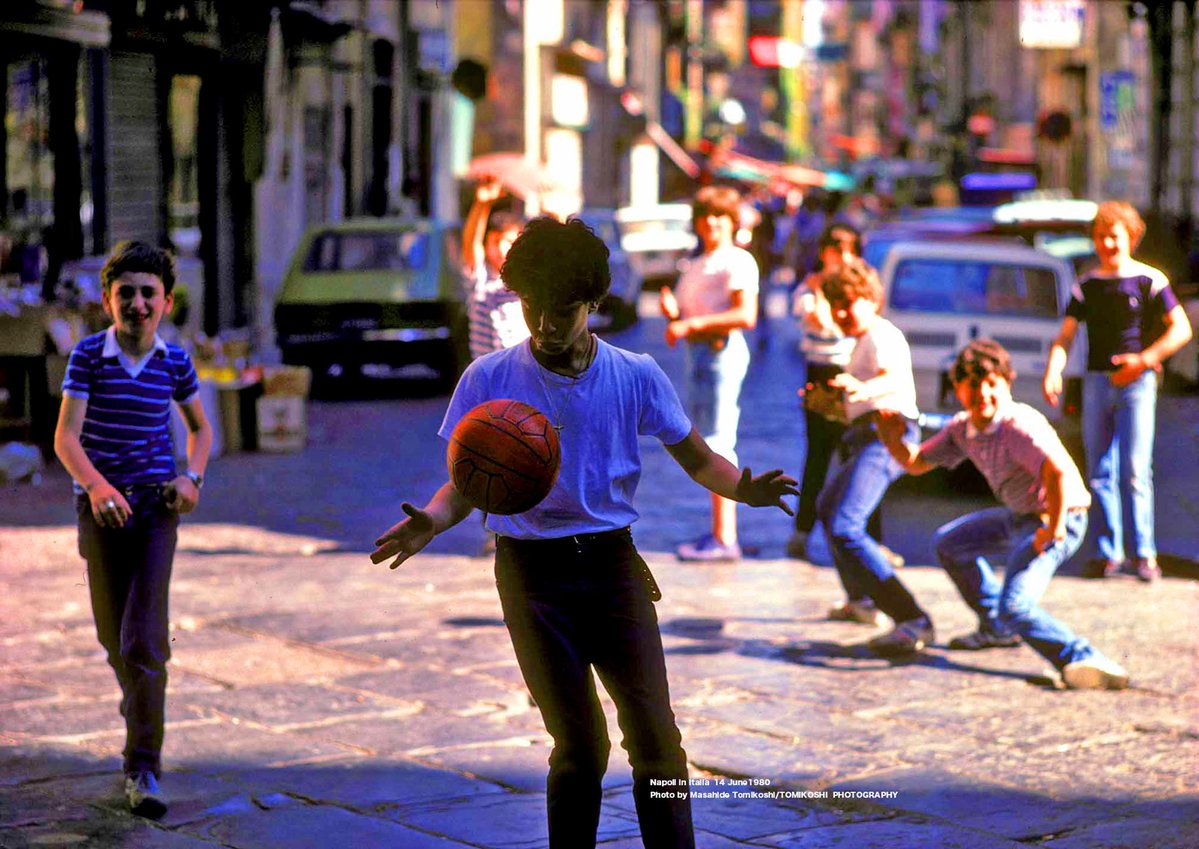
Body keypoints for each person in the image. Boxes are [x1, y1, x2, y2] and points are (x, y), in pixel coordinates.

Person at [371, 217, 797, 849]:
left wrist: (743, 489)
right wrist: (432, 520)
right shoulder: (488, 378)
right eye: (534, 306)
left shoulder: (635, 374)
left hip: (612, 568)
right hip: (530, 576)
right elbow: (467, 482)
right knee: (579, 744)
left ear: (593, 302)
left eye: (563, 309)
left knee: (656, 739)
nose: (546, 323)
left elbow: (700, 459)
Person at [53, 241, 213, 817]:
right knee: (112, 636)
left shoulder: (175, 361)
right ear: (107, 300)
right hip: (100, 511)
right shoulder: (88, 357)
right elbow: (65, 437)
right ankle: (138, 702)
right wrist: (97, 488)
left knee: (144, 640)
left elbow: (200, 429)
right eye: (127, 293)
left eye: (149, 293)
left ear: (166, 302)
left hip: (154, 509)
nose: (138, 304)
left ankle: (142, 765)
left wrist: (192, 477)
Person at [878, 340, 1130, 689]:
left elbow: (1055, 472)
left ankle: (1081, 656)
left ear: (1007, 384)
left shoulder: (1016, 424)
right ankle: (995, 628)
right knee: (950, 544)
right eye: (971, 385)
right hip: (1022, 516)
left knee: (1016, 606)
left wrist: (1053, 529)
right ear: (957, 389)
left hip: (1060, 518)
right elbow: (916, 462)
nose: (982, 393)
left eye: (991, 383)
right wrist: (890, 437)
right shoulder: (962, 428)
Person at [1042, 201, 1193, 582]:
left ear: (1131, 237)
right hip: (1098, 382)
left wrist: (1144, 360)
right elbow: (1065, 335)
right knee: (1099, 472)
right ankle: (1107, 552)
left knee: (1135, 470)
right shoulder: (1087, 285)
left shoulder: (1149, 280)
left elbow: (1181, 329)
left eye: (1114, 236)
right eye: (1100, 236)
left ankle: (1144, 554)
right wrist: (1053, 369)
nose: (1107, 244)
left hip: (1137, 383)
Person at [817, 260, 934, 655]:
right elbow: (862, 399)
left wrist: (859, 387)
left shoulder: (881, 334)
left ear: (870, 299)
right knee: (828, 508)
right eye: (835, 305)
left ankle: (912, 618)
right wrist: (832, 405)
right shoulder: (861, 341)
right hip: (867, 434)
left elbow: (892, 379)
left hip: (888, 435)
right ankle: (862, 601)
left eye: (848, 303)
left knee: (846, 525)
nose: (840, 313)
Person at [787, 223, 903, 573]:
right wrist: (821, 289)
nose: (843, 257)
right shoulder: (810, 288)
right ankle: (802, 532)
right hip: (823, 373)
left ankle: (873, 542)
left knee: (863, 459)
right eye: (836, 249)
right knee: (818, 456)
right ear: (824, 252)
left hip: (857, 374)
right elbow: (824, 323)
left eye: (849, 250)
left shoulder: (862, 288)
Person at [660, 184, 760, 562]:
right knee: (708, 442)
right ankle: (721, 530)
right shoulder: (699, 262)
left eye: (719, 216)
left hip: (720, 352)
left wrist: (690, 325)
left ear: (732, 221)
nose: (712, 223)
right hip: (699, 354)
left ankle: (725, 538)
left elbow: (745, 315)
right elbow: (687, 315)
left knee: (718, 442)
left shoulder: (737, 261)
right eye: (705, 216)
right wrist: (675, 314)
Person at [462, 177, 529, 360]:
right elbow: (471, 244)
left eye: (507, 241)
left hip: (520, 367)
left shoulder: (526, 282)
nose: (500, 248)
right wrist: (482, 204)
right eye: (494, 241)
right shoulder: (482, 278)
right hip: (488, 370)